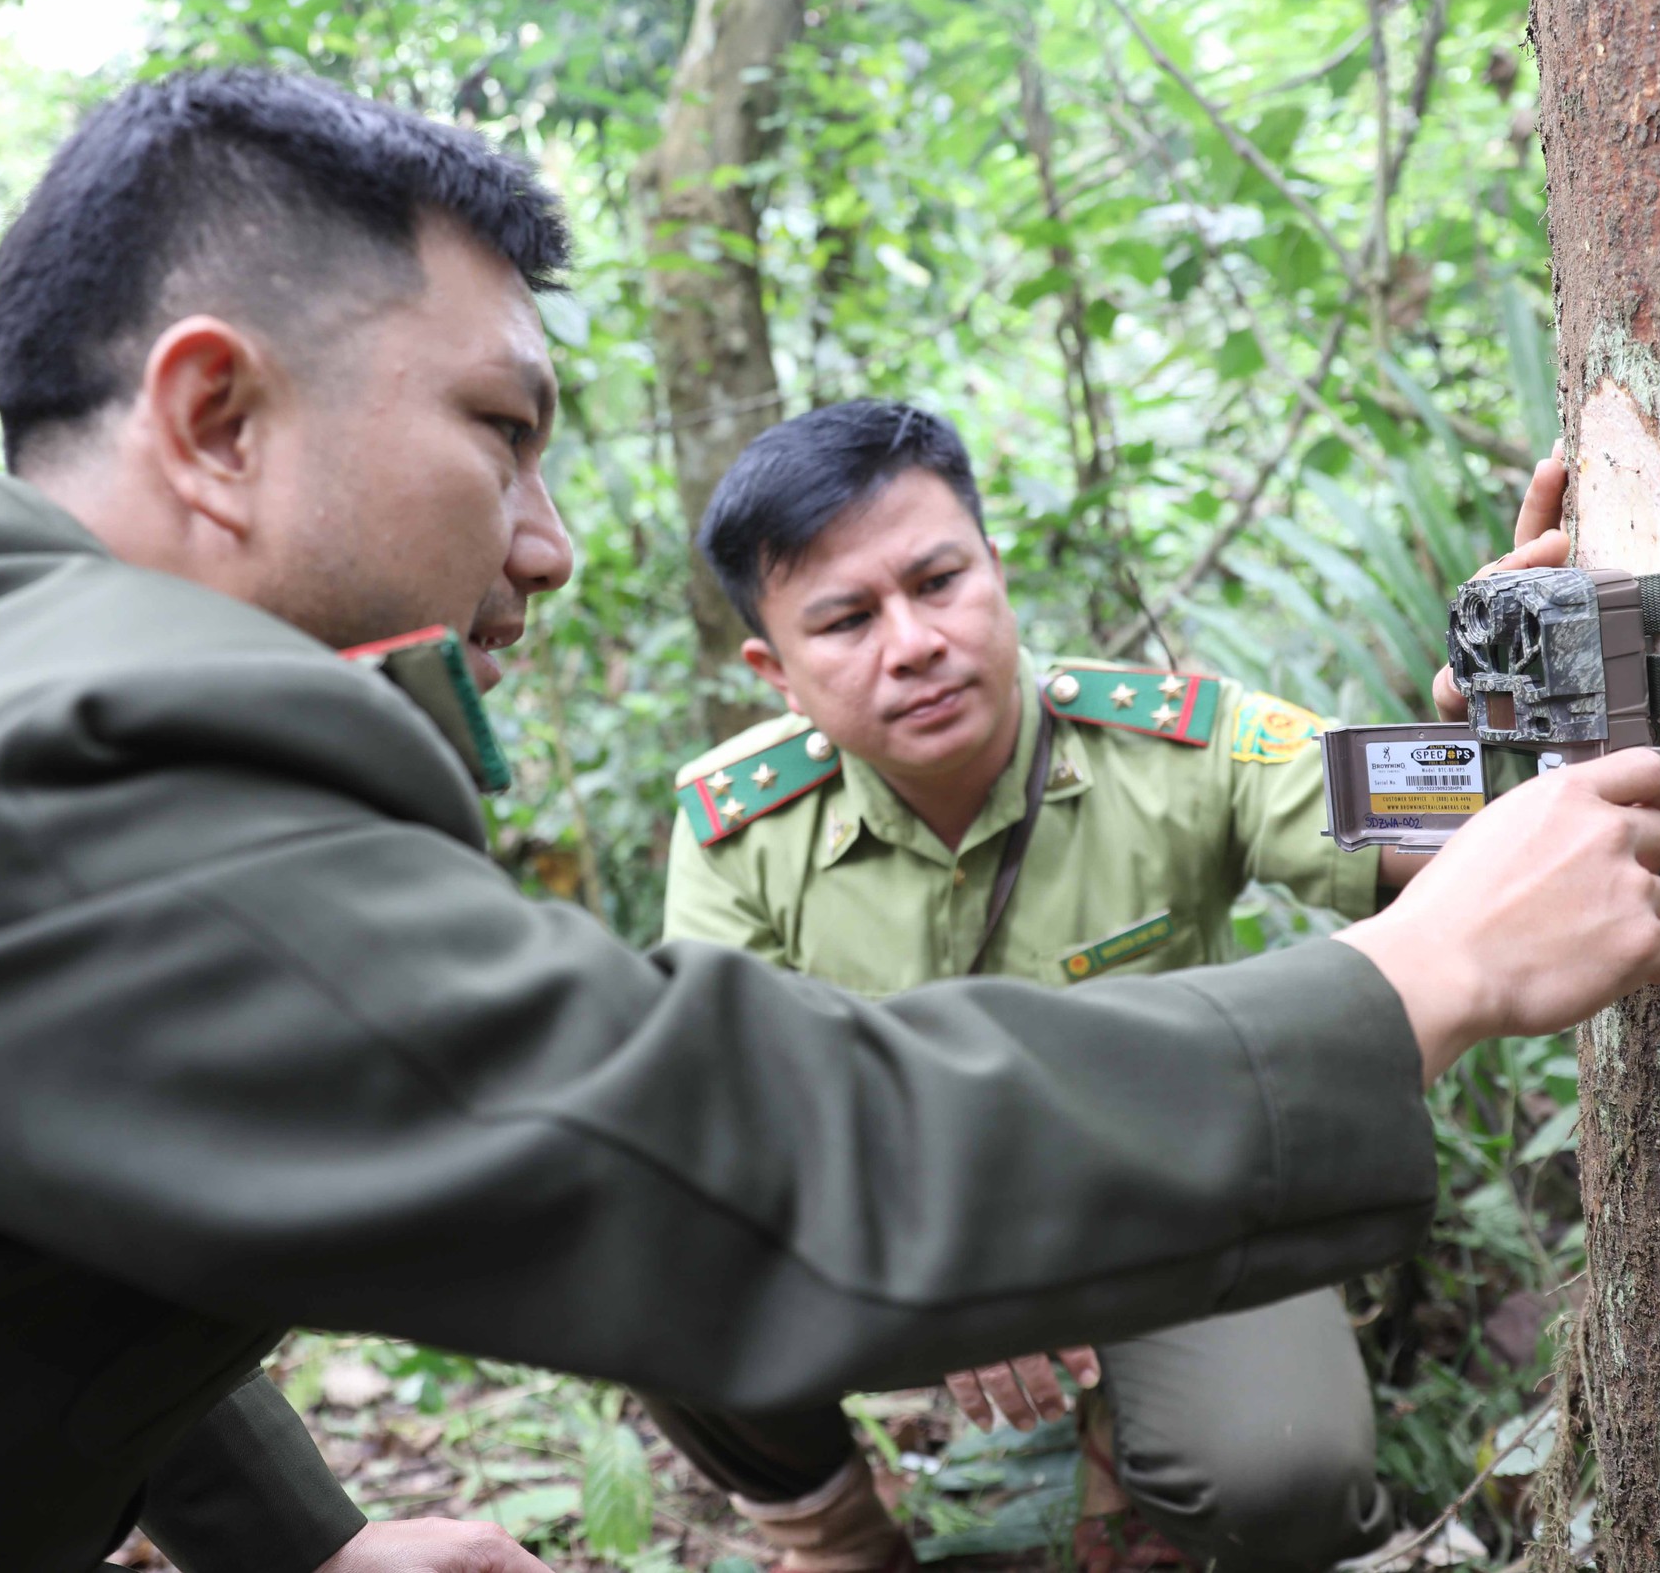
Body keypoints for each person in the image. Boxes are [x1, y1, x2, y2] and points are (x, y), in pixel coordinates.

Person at [0, 69, 1660, 1572]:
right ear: (215, 417)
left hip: (1085, 1216)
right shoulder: (94, 759)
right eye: (498, 431)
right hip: (904, 1226)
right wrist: (1411, 984)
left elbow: (6, 1210)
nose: (547, 540)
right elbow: (700, 1148)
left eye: (942, 581)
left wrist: (1502, 713)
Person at [648, 400, 1571, 1573]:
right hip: (898, 1235)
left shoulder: (1173, 745)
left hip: (1169, 1209)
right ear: (774, 671)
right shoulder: (740, 827)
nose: (913, 641)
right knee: (636, 1238)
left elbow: (1459, 834)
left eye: (937, 581)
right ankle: (836, 1538)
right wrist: (956, 1261)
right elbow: (728, 1110)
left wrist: (1493, 690)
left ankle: (1152, 1467)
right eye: (844, 618)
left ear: (994, 569)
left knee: (1279, 1473)